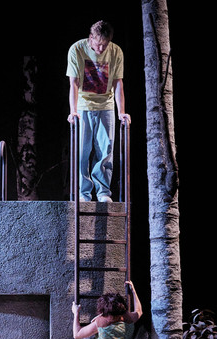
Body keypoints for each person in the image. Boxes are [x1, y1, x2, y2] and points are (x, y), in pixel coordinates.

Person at [66, 20, 131, 202]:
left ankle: (103, 192)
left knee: (105, 150)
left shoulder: (116, 51)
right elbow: (73, 83)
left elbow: (118, 83)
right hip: (83, 106)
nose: (101, 48)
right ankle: (83, 193)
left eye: (105, 44)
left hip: (106, 106)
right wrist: (73, 110)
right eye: (98, 44)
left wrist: (121, 112)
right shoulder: (77, 49)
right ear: (91, 38)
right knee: (82, 151)